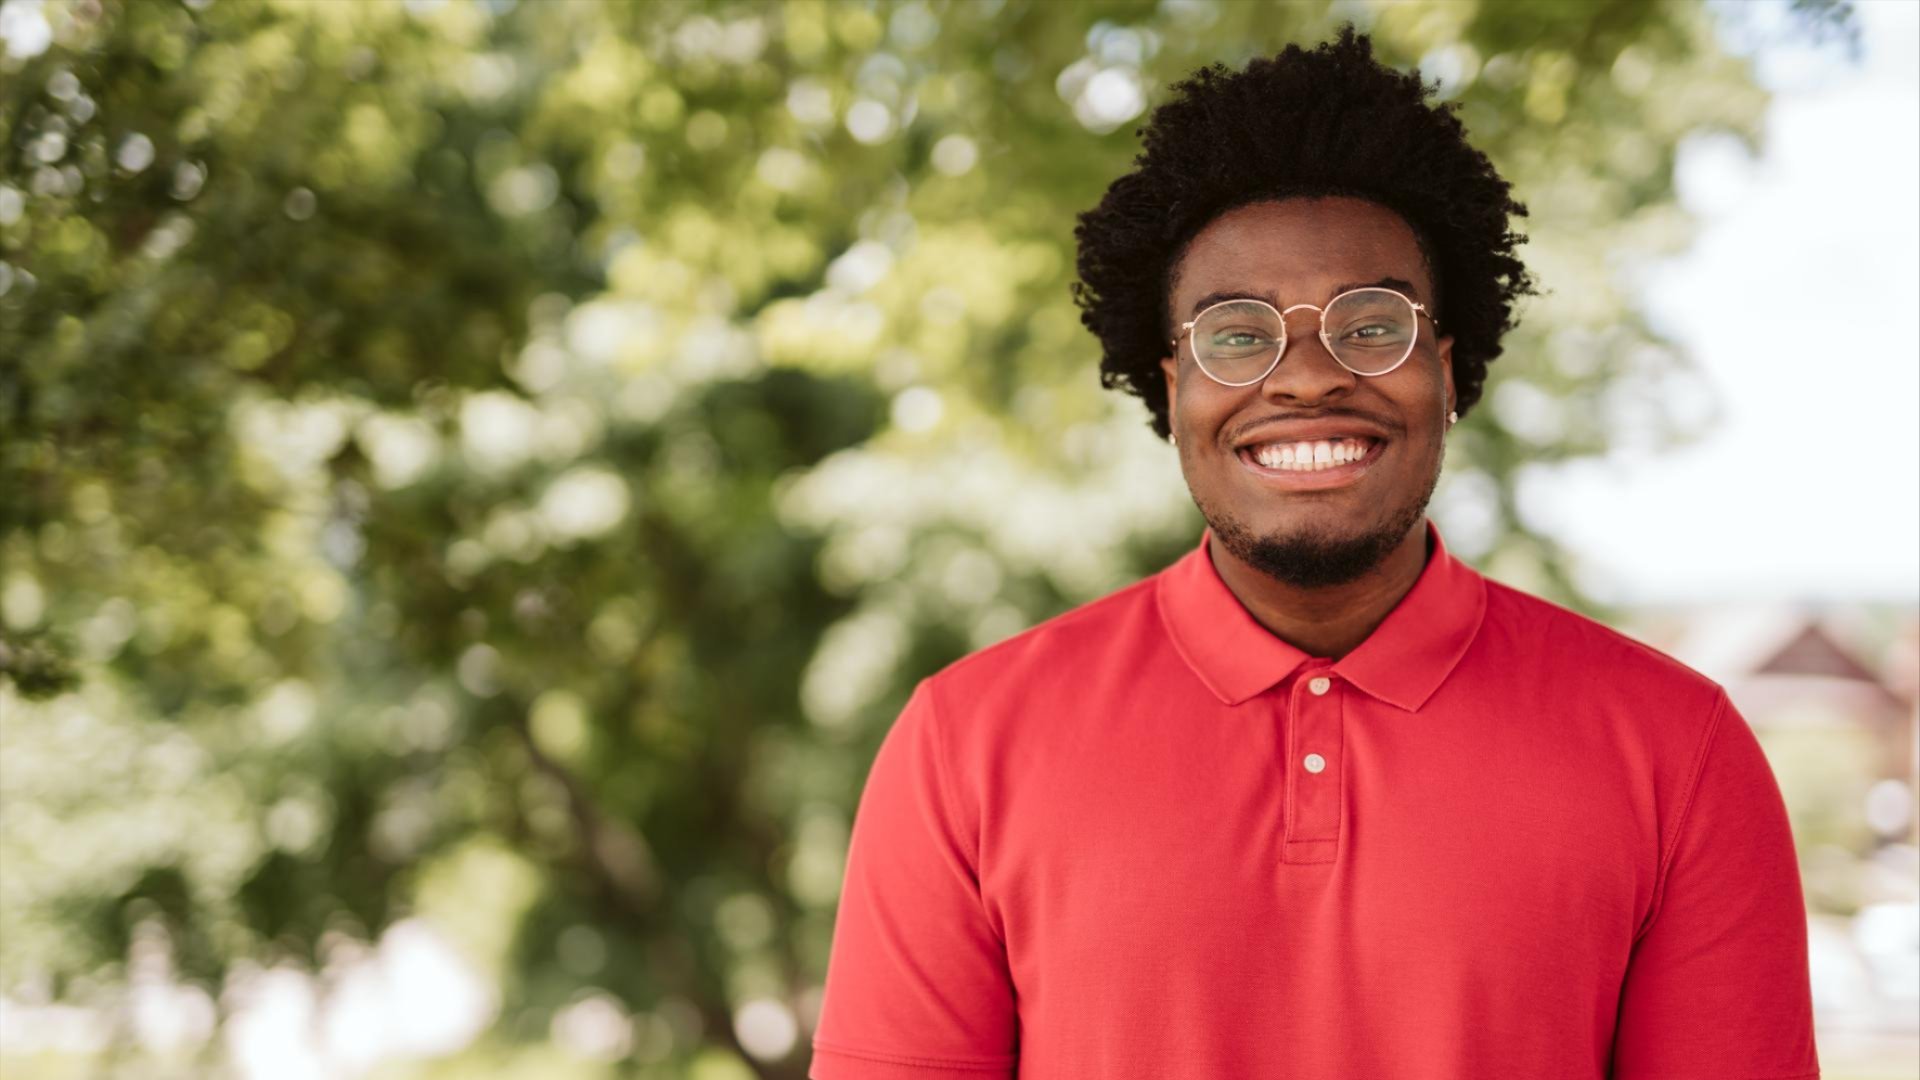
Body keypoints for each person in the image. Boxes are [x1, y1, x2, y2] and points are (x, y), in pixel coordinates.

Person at [808, 27, 1818, 1080]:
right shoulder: (964, 748)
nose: (1303, 379)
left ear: (1445, 361)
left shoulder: (1678, 753)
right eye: (1237, 334)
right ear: (1170, 386)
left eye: (1369, 324)